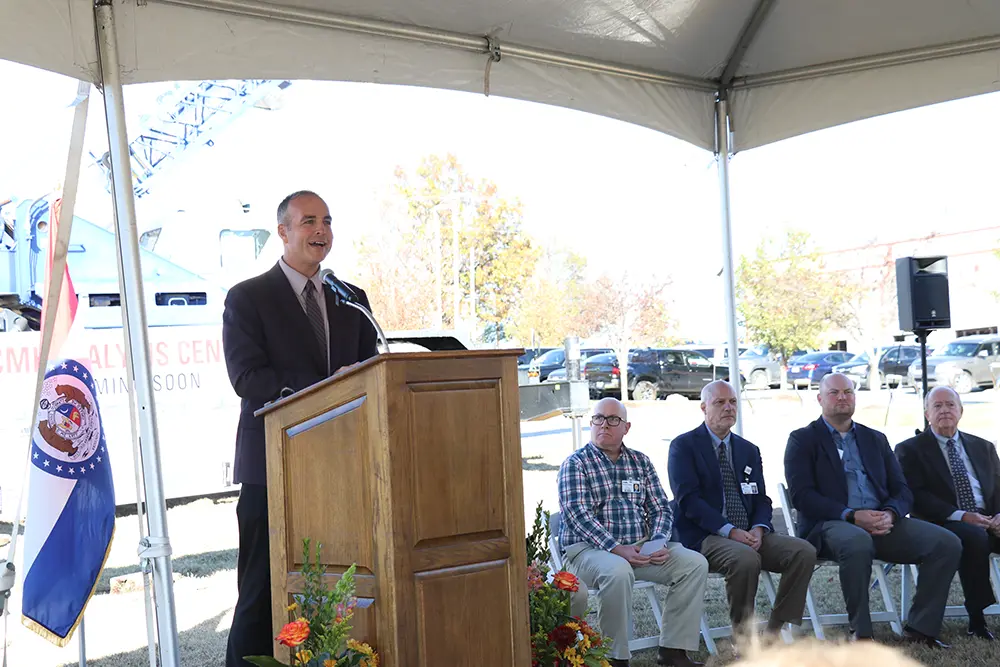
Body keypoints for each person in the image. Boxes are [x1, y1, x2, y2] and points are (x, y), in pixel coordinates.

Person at [222, 190, 378, 666]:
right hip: (274, 468)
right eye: (309, 221)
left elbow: (374, 372)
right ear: (283, 232)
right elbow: (247, 378)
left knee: (339, 587)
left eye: (327, 221)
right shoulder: (248, 297)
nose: (321, 231)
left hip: (343, 468)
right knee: (260, 592)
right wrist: (323, 392)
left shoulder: (351, 297)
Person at [783, 373, 961, 647]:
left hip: (882, 521)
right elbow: (801, 496)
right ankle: (862, 634)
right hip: (831, 524)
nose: (842, 397)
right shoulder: (803, 439)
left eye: (848, 392)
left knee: (946, 542)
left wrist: (890, 513)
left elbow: (902, 490)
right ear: (820, 399)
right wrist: (851, 515)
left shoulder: (874, 438)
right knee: (857, 541)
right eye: (834, 393)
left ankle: (921, 629)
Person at [557, 397, 708, 667]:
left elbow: (661, 508)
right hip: (589, 551)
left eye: (613, 419)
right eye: (598, 418)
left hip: (641, 548)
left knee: (694, 563)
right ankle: (615, 657)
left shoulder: (641, 462)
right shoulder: (576, 464)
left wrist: (659, 541)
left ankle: (673, 650)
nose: (604, 424)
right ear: (591, 423)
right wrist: (617, 548)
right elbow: (577, 515)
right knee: (617, 570)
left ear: (626, 427)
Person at [668, 381, 816, 638]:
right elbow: (688, 500)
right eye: (720, 402)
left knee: (803, 551)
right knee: (745, 558)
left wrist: (759, 528)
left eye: (733, 402)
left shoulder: (748, 450)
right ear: (704, 407)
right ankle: (744, 638)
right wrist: (730, 531)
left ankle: (774, 631)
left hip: (749, 533)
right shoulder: (684, 446)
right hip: (706, 534)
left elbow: (761, 499)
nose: (728, 407)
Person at [895, 385, 1000, 640]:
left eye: (950, 405)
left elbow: (998, 487)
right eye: (937, 406)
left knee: (979, 532)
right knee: (973, 536)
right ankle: (977, 618)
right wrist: (961, 515)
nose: (944, 411)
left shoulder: (983, 447)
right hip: (942, 522)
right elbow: (916, 496)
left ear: (961, 411)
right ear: (926, 413)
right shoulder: (910, 449)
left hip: (988, 518)